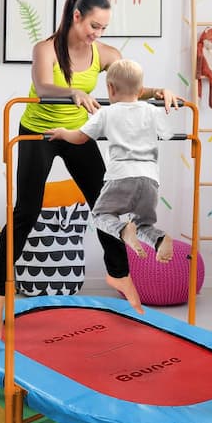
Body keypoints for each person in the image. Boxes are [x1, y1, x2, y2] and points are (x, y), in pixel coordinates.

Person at [0, 0, 179, 338]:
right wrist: (71, 92)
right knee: (27, 210)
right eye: (94, 25)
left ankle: (117, 271)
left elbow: (130, 86)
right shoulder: (46, 49)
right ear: (76, 16)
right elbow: (42, 85)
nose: (97, 34)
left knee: (107, 203)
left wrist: (158, 92)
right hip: (40, 133)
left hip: (75, 134)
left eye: (103, 28)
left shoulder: (105, 53)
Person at [46, 58, 175, 285]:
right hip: (150, 180)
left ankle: (124, 230)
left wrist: (63, 132)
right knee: (144, 224)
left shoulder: (107, 113)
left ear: (110, 89)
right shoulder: (152, 111)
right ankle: (159, 239)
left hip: (121, 177)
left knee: (101, 216)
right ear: (141, 90)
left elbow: (80, 138)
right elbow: (167, 134)